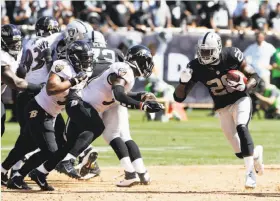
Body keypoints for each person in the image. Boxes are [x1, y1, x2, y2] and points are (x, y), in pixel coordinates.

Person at [173, 32, 264, 188]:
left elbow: (254, 76)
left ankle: (250, 174)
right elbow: (179, 98)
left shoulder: (231, 55)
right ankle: (255, 154)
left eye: (207, 51)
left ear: (217, 49)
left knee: (242, 127)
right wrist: (182, 83)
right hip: (222, 107)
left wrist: (246, 87)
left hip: (240, 99)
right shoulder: (195, 66)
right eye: (201, 51)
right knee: (239, 151)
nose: (203, 55)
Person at [7, 40, 94, 191]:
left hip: (51, 113)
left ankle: (31, 175)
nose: (87, 61)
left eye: (88, 58)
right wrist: (73, 81)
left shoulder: (84, 73)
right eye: (84, 57)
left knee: (32, 146)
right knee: (50, 151)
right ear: (74, 57)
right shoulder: (63, 66)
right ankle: (18, 177)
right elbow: (51, 88)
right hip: (39, 110)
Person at [1, 17, 63, 184]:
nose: (15, 45)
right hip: (34, 97)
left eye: (16, 42)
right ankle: (22, 172)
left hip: (25, 97)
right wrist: (40, 87)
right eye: (10, 42)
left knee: (26, 138)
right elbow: (15, 82)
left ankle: (10, 171)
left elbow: (21, 73)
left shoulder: (23, 49)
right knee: (40, 141)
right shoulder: (2, 55)